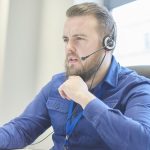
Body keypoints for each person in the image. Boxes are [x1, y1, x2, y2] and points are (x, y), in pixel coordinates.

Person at [1, 2, 150, 150]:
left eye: (78, 39)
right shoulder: (58, 83)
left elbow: (143, 143)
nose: (68, 48)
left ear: (108, 43)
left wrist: (85, 98)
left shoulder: (136, 88)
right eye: (66, 39)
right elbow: (22, 129)